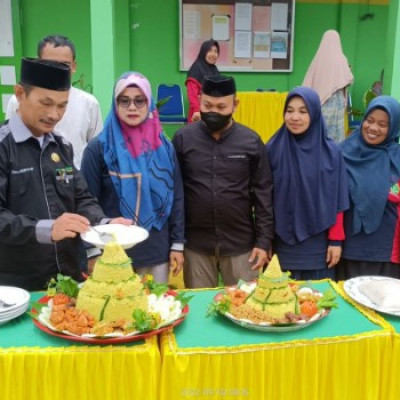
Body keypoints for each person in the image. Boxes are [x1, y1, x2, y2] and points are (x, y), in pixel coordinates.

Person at [0, 58, 129, 291]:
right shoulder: (3, 147)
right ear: (19, 93)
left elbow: (81, 198)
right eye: (46, 103)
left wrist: (104, 224)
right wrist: (47, 229)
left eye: (62, 105)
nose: (54, 114)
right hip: (19, 286)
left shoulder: (61, 146)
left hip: (69, 278)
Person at [81, 72, 185, 283]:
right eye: (124, 100)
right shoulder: (99, 148)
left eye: (140, 101)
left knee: (155, 310)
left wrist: (177, 244)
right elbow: (86, 200)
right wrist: (92, 251)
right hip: (111, 251)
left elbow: (177, 198)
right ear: (115, 103)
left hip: (156, 249)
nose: (132, 107)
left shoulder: (164, 147)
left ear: (150, 103)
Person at [173, 75, 273, 288]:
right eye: (208, 105)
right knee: (200, 312)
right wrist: (176, 242)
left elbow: (263, 194)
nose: (214, 112)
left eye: (221, 106)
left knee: (244, 310)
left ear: (235, 105)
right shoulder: (183, 139)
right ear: (199, 100)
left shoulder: (251, 142)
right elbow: (175, 193)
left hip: (241, 246)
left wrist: (263, 242)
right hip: (196, 246)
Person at [266, 87, 349, 280]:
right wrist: (265, 240)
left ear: (315, 114)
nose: (295, 117)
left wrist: (336, 241)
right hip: (282, 243)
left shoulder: (331, 153)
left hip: (319, 247)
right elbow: (265, 199)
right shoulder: (272, 149)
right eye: (290, 110)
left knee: (316, 302)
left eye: (303, 111)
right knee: (281, 303)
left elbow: (338, 198)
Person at [6, 34, 103, 169]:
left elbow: (97, 150)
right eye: (46, 103)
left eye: (64, 65)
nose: (54, 115)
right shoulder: (17, 101)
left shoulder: (89, 103)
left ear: (74, 66)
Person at [336, 96, 400, 280]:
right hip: (349, 249)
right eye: (369, 121)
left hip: (387, 252)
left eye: (382, 124)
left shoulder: (397, 158)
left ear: (393, 127)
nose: (373, 128)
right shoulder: (342, 153)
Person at [302, 30, 354, 143]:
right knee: (336, 131)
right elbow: (348, 78)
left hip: (319, 101)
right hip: (337, 100)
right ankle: (333, 154)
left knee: (319, 128)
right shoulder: (341, 59)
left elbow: (309, 81)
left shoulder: (318, 59)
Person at [186, 39, 220, 123]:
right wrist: (196, 111)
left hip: (214, 112)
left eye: (216, 51)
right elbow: (192, 94)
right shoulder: (196, 69)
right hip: (199, 114)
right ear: (203, 52)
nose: (213, 54)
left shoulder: (214, 70)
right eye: (210, 51)